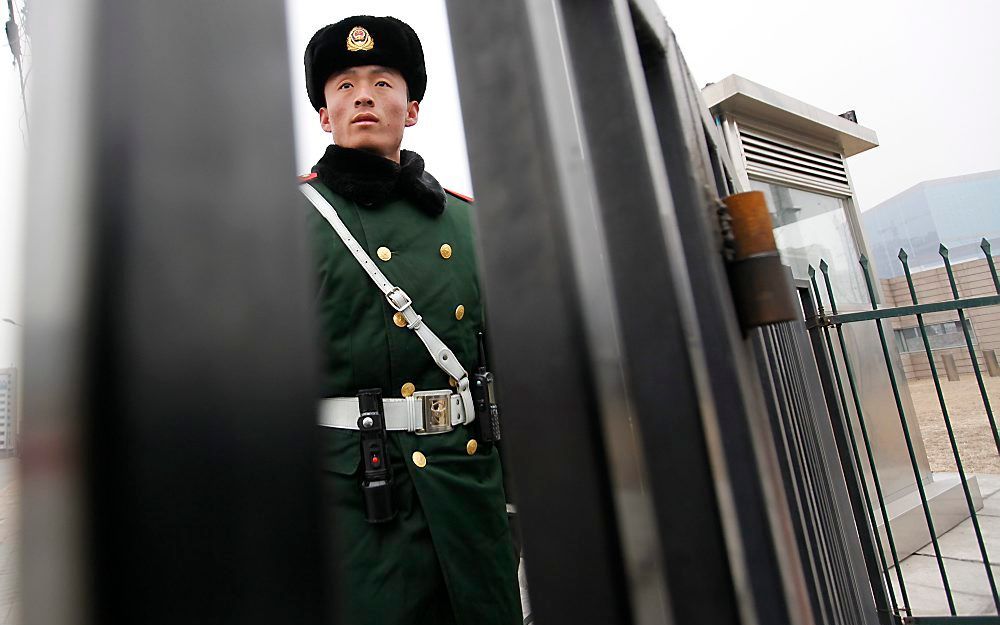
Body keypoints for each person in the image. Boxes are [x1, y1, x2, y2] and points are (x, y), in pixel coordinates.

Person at [298, 15, 522, 625]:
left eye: (381, 82)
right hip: (357, 506)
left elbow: (510, 365)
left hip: (468, 493)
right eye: (343, 86)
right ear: (324, 116)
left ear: (412, 107)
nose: (363, 94)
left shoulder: (469, 224)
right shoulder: (288, 222)